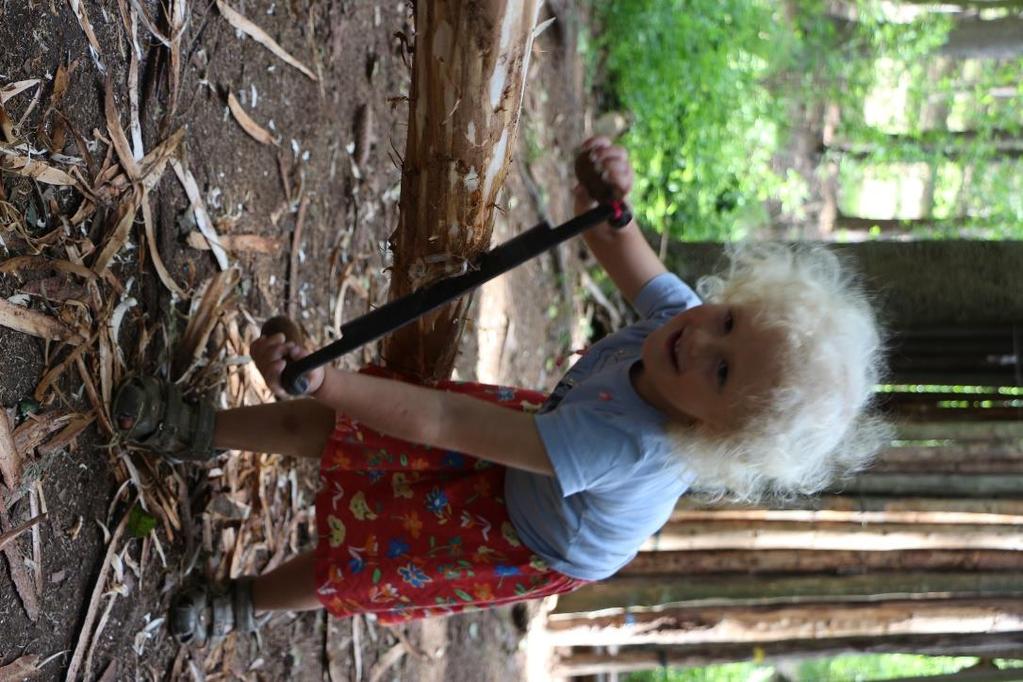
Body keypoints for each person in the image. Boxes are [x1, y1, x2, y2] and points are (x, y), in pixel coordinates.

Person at [112, 137, 889, 645]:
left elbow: (444, 418)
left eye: (722, 371)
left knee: (365, 561)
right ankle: (194, 427)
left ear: (719, 432)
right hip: (540, 443)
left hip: (529, 529)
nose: (702, 339)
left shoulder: (624, 445)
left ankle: (243, 604)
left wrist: (332, 377)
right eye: (728, 318)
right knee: (342, 426)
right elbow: (617, 243)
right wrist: (608, 194)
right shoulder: (684, 322)